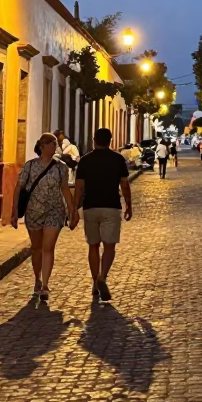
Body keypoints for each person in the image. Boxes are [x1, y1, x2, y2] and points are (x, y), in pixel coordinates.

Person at [10, 132, 75, 301]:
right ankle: (37, 278)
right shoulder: (30, 166)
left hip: (54, 211)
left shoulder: (61, 167)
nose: (56, 146)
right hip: (33, 212)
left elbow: (65, 190)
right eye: (52, 143)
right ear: (42, 146)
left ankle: (45, 285)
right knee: (36, 248)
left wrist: (72, 211)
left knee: (48, 247)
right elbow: (19, 188)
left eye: (55, 143)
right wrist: (14, 211)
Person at [74, 127, 132, 301]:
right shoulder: (118, 159)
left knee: (93, 246)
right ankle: (102, 277)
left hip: (90, 207)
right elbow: (124, 185)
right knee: (109, 246)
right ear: (110, 141)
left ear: (94, 140)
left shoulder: (84, 161)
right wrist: (128, 205)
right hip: (111, 207)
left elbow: (79, 187)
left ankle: (94, 283)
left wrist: (74, 209)